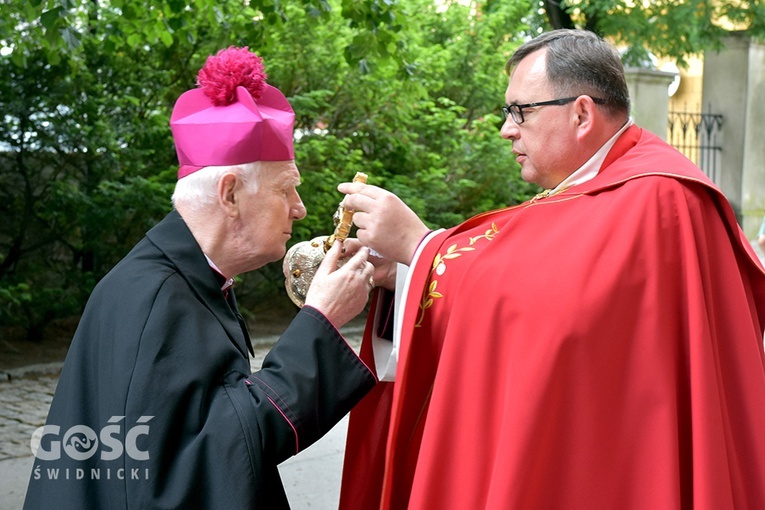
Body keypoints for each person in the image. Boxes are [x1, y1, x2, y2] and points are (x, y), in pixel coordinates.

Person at [336, 29, 765, 509]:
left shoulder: (660, 200)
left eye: (521, 111)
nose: (507, 129)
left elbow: (561, 318)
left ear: (581, 113)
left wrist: (421, 247)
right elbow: (534, 285)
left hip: (622, 471)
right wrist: (404, 274)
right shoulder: (600, 187)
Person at [23, 47, 377, 510]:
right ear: (229, 193)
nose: (300, 207)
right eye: (285, 188)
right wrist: (321, 320)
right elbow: (208, 462)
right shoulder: (156, 299)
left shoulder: (184, 277)